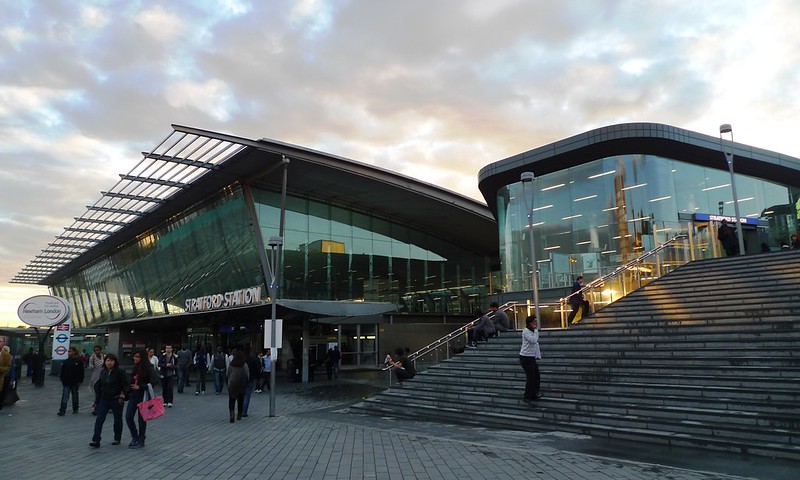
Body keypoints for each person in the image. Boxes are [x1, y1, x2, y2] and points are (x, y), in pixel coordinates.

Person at [90, 353, 128, 448]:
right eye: (107, 360)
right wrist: (96, 401)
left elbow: (126, 385)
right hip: (104, 399)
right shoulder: (103, 372)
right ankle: (96, 440)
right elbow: (98, 387)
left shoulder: (120, 372)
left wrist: (123, 396)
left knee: (117, 419)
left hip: (116, 399)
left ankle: (117, 438)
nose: (109, 363)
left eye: (111, 361)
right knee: (99, 419)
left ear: (115, 362)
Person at [125, 349, 154, 449]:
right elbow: (130, 382)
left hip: (143, 396)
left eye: (137, 357)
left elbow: (154, 381)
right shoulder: (135, 368)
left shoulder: (149, 368)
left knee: (141, 419)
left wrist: (141, 386)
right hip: (133, 396)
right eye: (134, 356)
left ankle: (141, 438)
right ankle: (135, 436)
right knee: (128, 416)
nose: (135, 358)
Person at [519, 315, 542, 403]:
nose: (536, 323)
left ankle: (534, 393)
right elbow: (534, 340)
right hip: (525, 357)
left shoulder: (532, 331)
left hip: (531, 357)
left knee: (536, 376)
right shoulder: (526, 332)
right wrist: (536, 330)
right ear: (530, 323)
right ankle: (527, 395)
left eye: (536, 321)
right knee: (531, 377)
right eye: (534, 322)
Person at [58, 347, 85, 416]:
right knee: (65, 396)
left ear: (74, 352)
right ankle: (62, 410)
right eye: (68, 351)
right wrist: (62, 379)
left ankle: (75, 408)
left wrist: (80, 380)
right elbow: (62, 371)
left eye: (70, 351)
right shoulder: (66, 361)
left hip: (74, 381)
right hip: (66, 381)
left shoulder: (78, 361)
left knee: (75, 395)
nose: (69, 353)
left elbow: (81, 372)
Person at [226, 349, 249, 423]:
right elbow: (247, 375)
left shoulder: (231, 364)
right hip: (241, 384)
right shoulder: (244, 365)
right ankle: (239, 414)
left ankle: (232, 413)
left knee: (232, 400)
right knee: (240, 400)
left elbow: (228, 374)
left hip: (232, 384)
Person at [242, 347, 260, 417]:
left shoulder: (241, 360)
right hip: (250, 379)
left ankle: (241, 410)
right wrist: (256, 377)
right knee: (247, 395)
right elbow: (257, 369)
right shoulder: (253, 359)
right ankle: (244, 411)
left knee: (242, 396)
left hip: (241, 380)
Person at [87, 345, 104, 414]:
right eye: (95, 350)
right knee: (97, 393)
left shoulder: (104, 357)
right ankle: (96, 408)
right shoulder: (92, 357)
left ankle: (103, 407)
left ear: (100, 350)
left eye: (98, 350)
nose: (96, 352)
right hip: (96, 377)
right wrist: (94, 367)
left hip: (103, 377)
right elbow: (90, 366)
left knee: (103, 392)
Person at [0, 337, 12, 412]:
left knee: (1, 393)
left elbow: (8, 367)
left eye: (1, 342)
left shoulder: (6, 355)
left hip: (1, 377)